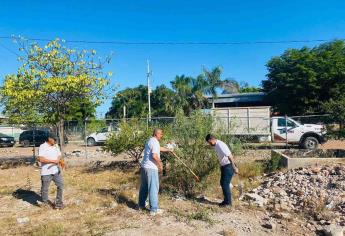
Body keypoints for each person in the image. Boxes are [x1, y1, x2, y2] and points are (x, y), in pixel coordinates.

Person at [138, 128, 171, 215]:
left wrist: (168, 150)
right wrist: (160, 164)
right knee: (153, 188)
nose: (162, 136)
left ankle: (141, 206)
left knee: (144, 187)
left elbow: (159, 148)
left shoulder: (150, 140)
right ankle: (154, 209)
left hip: (144, 168)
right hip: (151, 168)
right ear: (157, 134)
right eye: (161, 134)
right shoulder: (155, 141)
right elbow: (154, 156)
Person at [205, 134, 238, 207]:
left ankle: (228, 203)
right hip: (224, 166)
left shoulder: (220, 145)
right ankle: (226, 201)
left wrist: (234, 167)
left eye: (209, 142)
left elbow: (230, 156)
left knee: (225, 184)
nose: (209, 144)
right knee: (223, 183)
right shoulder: (216, 145)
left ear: (211, 140)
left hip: (228, 166)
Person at [37, 133, 64, 209]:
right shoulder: (43, 146)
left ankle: (58, 203)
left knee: (61, 185)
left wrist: (58, 160)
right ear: (49, 139)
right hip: (46, 172)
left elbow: (59, 155)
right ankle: (45, 203)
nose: (56, 141)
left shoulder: (56, 146)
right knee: (45, 188)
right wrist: (52, 161)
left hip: (55, 170)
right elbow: (41, 159)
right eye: (54, 140)